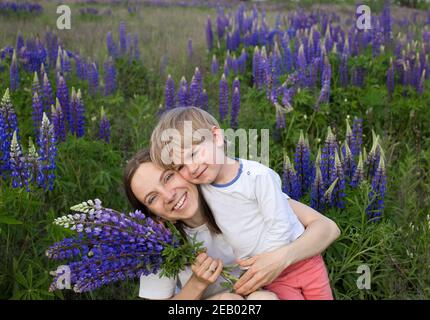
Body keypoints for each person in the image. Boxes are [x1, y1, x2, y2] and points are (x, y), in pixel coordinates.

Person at [149, 107, 340, 299]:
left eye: (193, 154)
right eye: (181, 166)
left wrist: (269, 262)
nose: (192, 168)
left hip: (300, 262)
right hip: (272, 278)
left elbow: (283, 224)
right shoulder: (202, 189)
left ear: (216, 137)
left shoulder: (257, 176)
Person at [124, 149, 278, 300]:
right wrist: (197, 283)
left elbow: (302, 223)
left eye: (168, 177)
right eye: (152, 198)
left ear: (183, 169)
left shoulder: (233, 192)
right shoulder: (158, 244)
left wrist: (282, 258)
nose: (169, 196)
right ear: (154, 216)